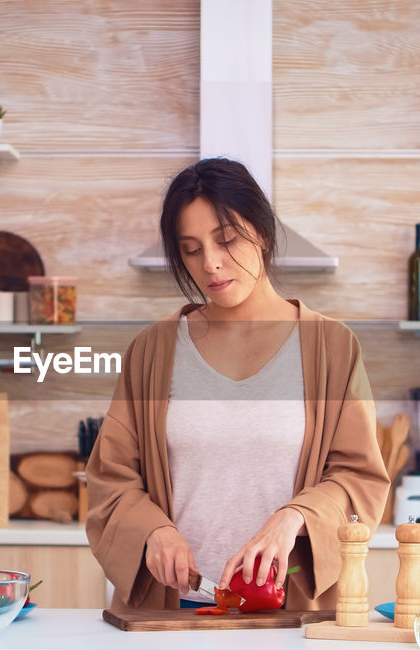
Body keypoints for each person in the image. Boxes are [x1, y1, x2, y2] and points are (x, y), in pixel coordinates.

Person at [85, 158, 389, 611]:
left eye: (226, 240)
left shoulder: (333, 347)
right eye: (190, 249)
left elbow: (359, 479)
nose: (210, 264)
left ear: (262, 232)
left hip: (290, 610)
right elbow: (111, 480)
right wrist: (154, 529)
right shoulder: (152, 350)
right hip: (174, 609)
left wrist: (295, 517)